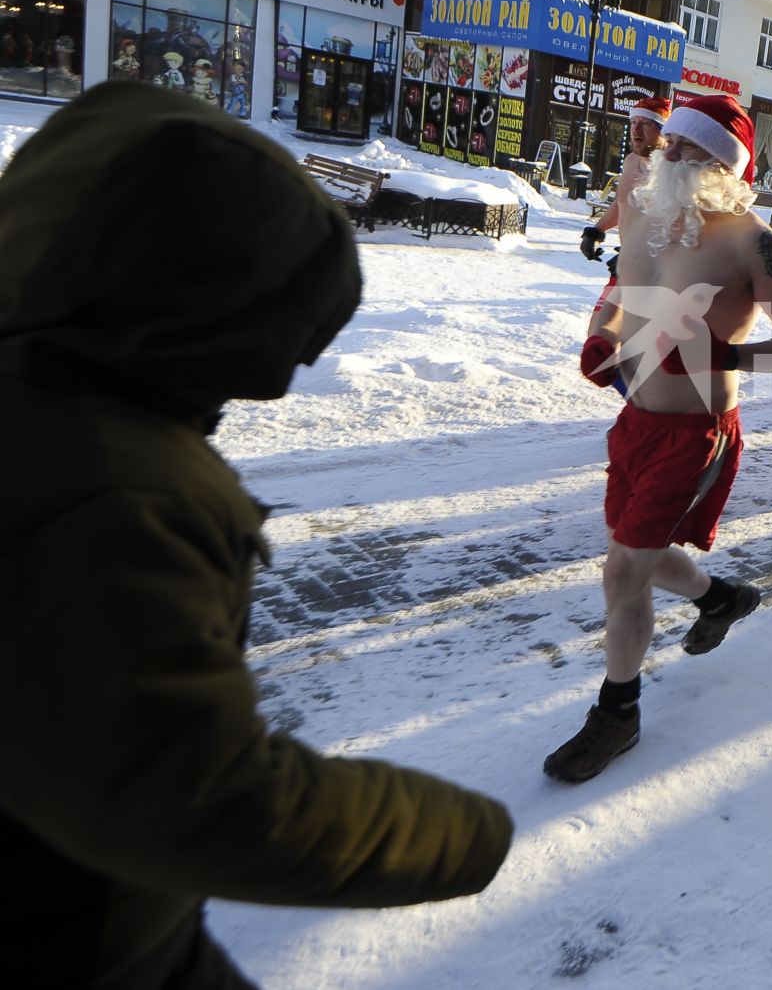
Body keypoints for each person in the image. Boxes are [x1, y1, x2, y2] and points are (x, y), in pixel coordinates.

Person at [0, 83, 514, 990]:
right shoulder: (116, 493)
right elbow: (195, 796)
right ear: (209, 314)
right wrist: (466, 835)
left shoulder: (45, 400)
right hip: (86, 944)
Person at [551, 93, 772, 783]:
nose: (667, 154)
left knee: (622, 570)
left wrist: (728, 358)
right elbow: (621, 286)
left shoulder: (750, 241)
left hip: (695, 430)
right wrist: (603, 335)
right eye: (668, 142)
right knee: (638, 555)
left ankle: (618, 711)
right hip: (635, 421)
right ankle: (719, 597)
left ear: (725, 165)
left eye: (688, 148)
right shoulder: (646, 206)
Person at [581, 96, 672, 261]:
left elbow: (677, 230)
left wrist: (639, 261)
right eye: (634, 123)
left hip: (656, 271)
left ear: (663, 131)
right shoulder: (631, 161)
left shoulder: (673, 168)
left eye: (645, 124)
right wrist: (596, 232)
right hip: (629, 263)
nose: (636, 130)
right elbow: (622, 203)